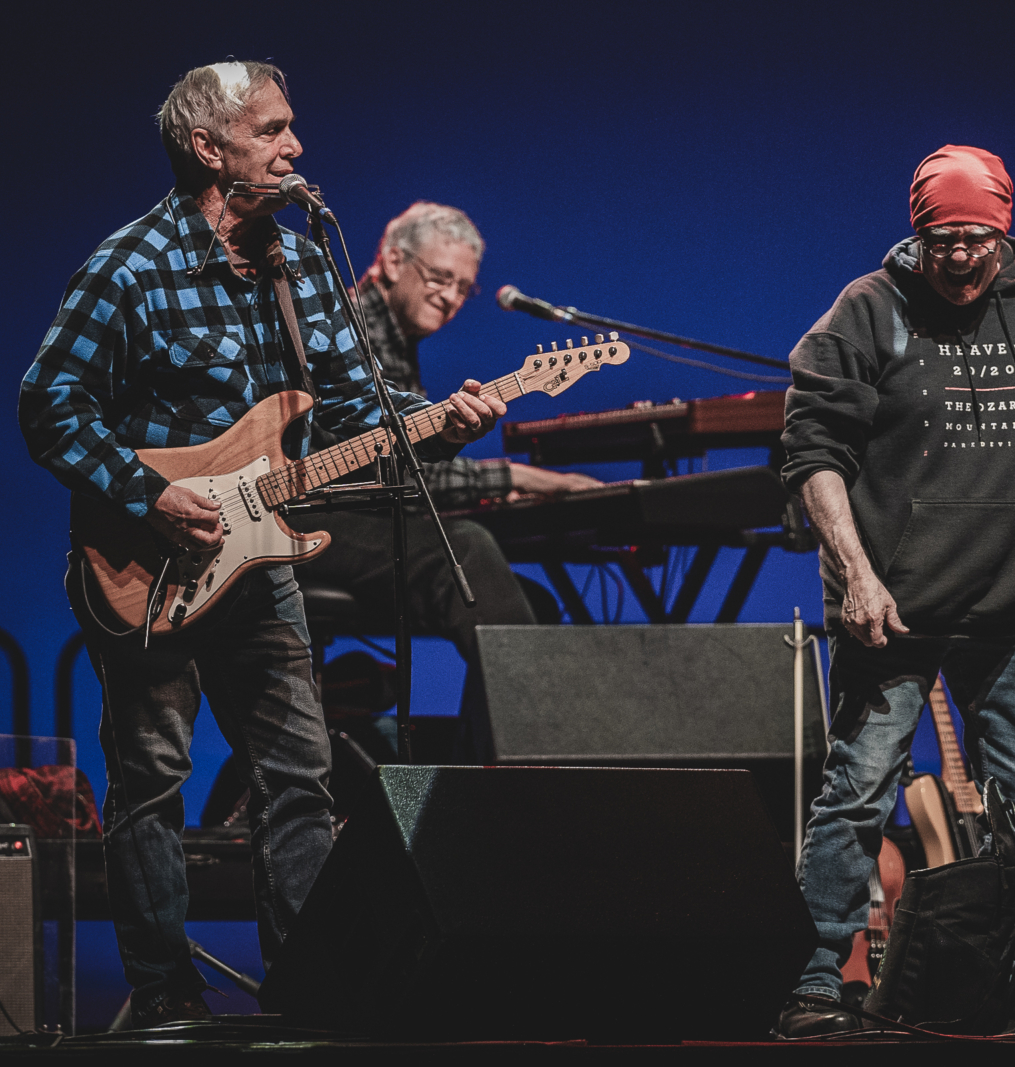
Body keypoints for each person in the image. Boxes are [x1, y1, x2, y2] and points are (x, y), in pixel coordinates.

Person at [17, 61, 504, 1027]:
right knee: (152, 779)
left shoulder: (301, 262)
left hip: (260, 566)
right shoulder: (130, 267)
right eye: (274, 130)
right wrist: (150, 496)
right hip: (149, 570)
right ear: (210, 149)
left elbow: (354, 409)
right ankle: (165, 993)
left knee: (300, 773)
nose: (295, 147)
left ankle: (310, 987)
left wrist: (438, 421)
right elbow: (48, 406)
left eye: (292, 129)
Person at [776, 145, 1015, 1036]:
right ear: (918, 232)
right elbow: (812, 451)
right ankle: (823, 978)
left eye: (977, 236)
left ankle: (1009, 975)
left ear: (1005, 230)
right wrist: (855, 574)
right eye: (943, 239)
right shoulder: (869, 310)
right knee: (860, 788)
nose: (962, 255)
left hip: (1010, 609)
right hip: (890, 610)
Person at [286, 203, 600, 674]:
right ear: (393, 262)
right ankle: (551, 736)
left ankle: (500, 744)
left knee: (530, 603)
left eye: (462, 288)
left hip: (340, 519)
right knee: (469, 550)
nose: (450, 297)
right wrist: (516, 478)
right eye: (439, 277)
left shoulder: (393, 339)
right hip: (299, 519)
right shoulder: (350, 330)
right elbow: (381, 467)